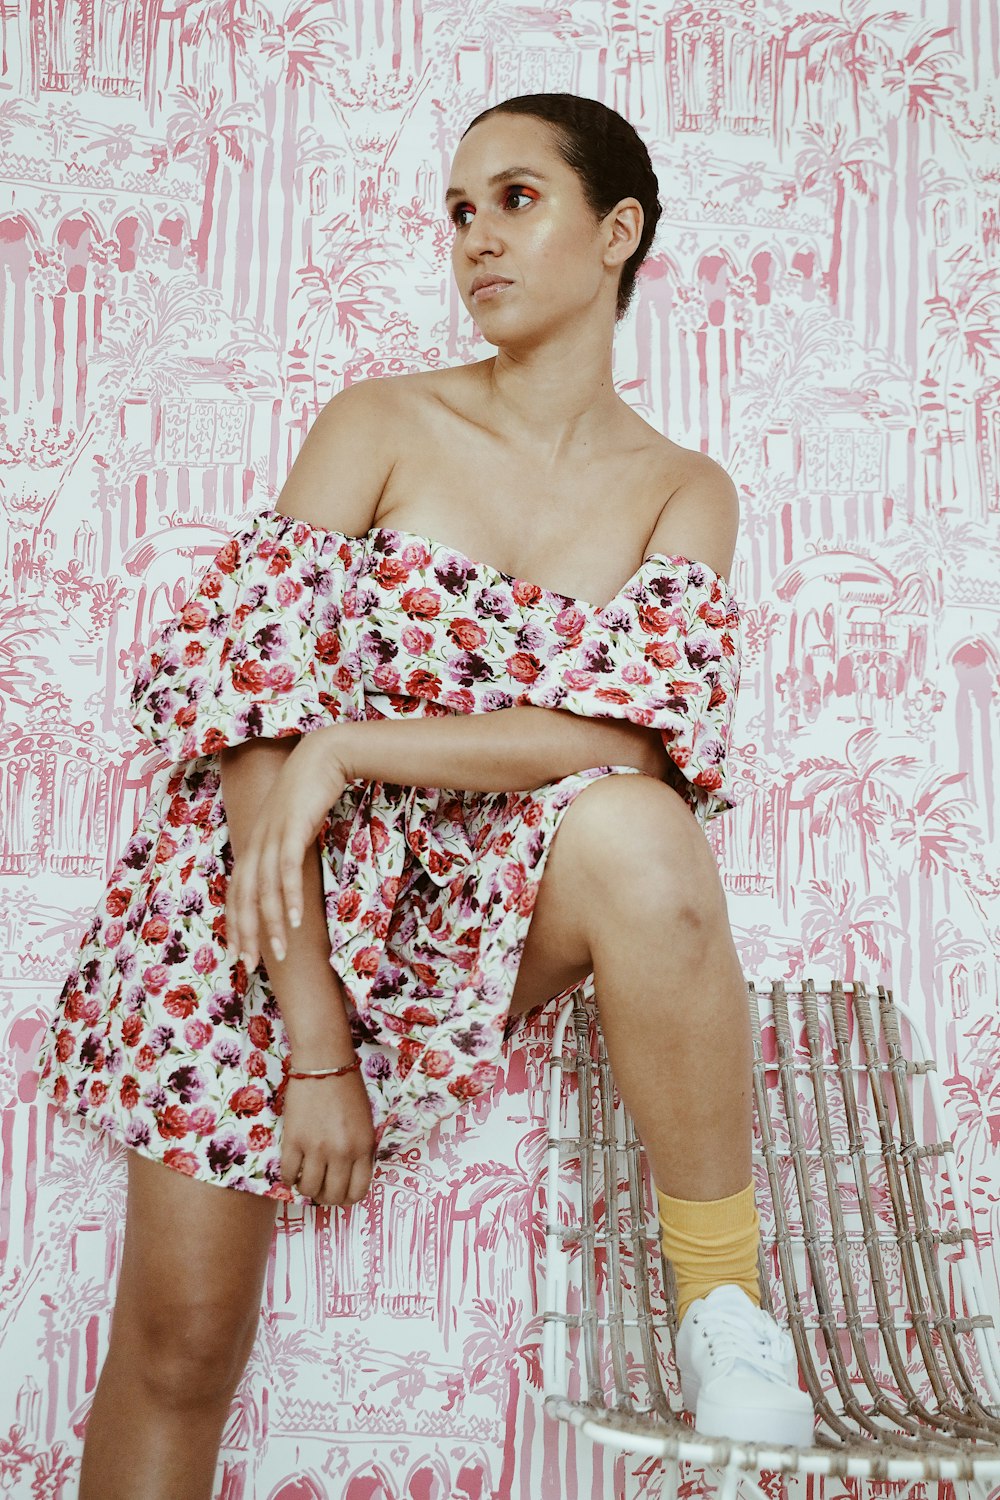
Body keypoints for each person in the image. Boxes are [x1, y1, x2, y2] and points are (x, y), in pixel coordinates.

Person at [35, 91, 814, 1498]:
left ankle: (725, 1308)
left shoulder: (682, 491)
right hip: (253, 913)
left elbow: (638, 743)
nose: (476, 241)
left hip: (469, 912)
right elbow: (249, 709)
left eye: (515, 200)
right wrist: (315, 1039)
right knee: (180, 1347)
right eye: (459, 212)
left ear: (617, 230)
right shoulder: (381, 422)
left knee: (641, 834)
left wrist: (363, 745)